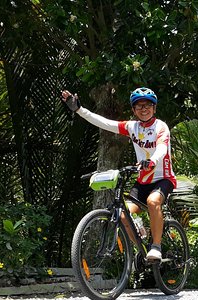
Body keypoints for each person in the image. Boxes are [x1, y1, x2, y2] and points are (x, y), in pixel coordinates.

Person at [61, 87, 176, 262]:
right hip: (143, 181)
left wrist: (152, 161)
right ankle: (142, 249)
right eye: (139, 106)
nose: (143, 109)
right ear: (133, 110)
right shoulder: (132, 127)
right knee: (123, 215)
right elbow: (105, 123)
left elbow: (161, 147)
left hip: (163, 178)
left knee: (153, 202)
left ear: (154, 108)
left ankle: (156, 247)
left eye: (147, 106)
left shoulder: (160, 126)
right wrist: (79, 110)